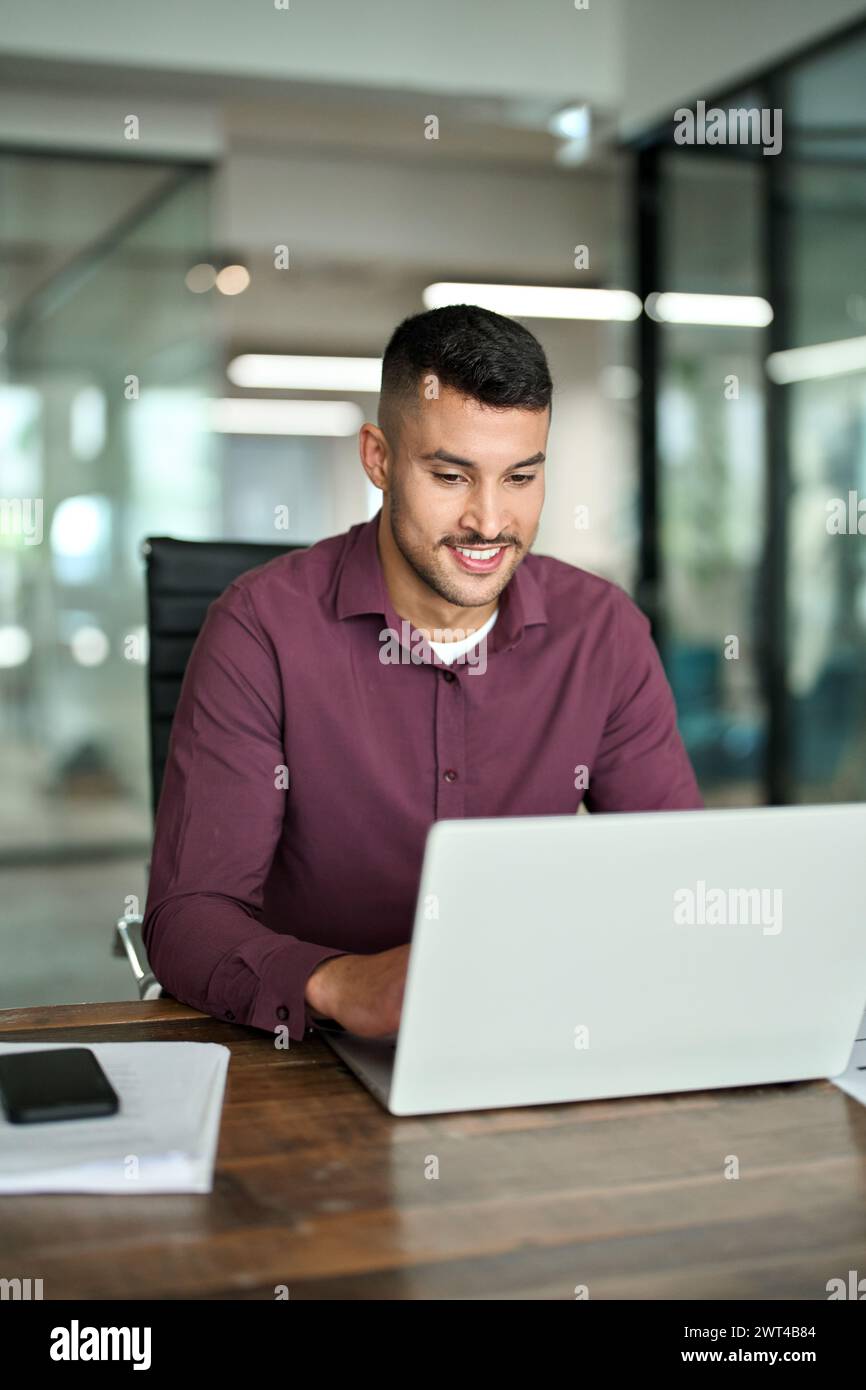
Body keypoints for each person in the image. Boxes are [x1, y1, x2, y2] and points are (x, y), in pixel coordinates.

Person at [142, 305, 702, 1044]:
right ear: (378, 459)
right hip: (316, 1054)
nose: (490, 521)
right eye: (451, 475)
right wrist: (344, 984)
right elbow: (188, 920)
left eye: (522, 477)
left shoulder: (603, 633)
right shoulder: (259, 629)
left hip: (531, 1036)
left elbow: (681, 882)